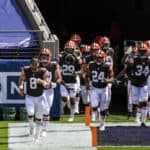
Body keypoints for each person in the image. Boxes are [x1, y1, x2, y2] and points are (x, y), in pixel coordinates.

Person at [18, 57, 50, 142]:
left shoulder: (43, 71)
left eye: (36, 64)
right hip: (30, 96)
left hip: (40, 97)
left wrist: (42, 82)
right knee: (30, 113)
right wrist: (21, 88)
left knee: (39, 117)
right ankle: (31, 126)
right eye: (33, 63)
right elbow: (21, 79)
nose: (34, 65)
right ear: (30, 64)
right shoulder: (26, 70)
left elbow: (48, 85)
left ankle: (37, 137)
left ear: (38, 64)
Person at [86, 49, 114, 130]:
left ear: (103, 57)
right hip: (94, 87)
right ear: (94, 57)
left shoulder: (107, 65)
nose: (99, 59)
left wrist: (108, 80)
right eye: (97, 57)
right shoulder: (91, 65)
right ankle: (95, 110)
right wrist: (87, 83)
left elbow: (112, 77)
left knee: (103, 108)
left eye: (100, 57)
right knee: (94, 104)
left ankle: (102, 124)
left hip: (104, 88)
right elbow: (87, 76)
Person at [124, 42, 150, 127]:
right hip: (135, 83)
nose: (142, 52)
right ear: (138, 51)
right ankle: (137, 118)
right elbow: (127, 70)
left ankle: (142, 120)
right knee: (136, 102)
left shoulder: (148, 59)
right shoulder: (134, 59)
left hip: (144, 83)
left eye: (144, 51)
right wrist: (131, 78)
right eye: (141, 51)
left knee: (144, 102)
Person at [39, 48, 62, 137]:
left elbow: (59, 78)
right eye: (42, 56)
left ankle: (44, 129)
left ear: (49, 57)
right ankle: (41, 127)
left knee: (47, 109)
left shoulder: (54, 65)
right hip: (39, 89)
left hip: (49, 90)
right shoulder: (36, 64)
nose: (44, 58)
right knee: (42, 108)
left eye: (46, 56)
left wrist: (54, 84)